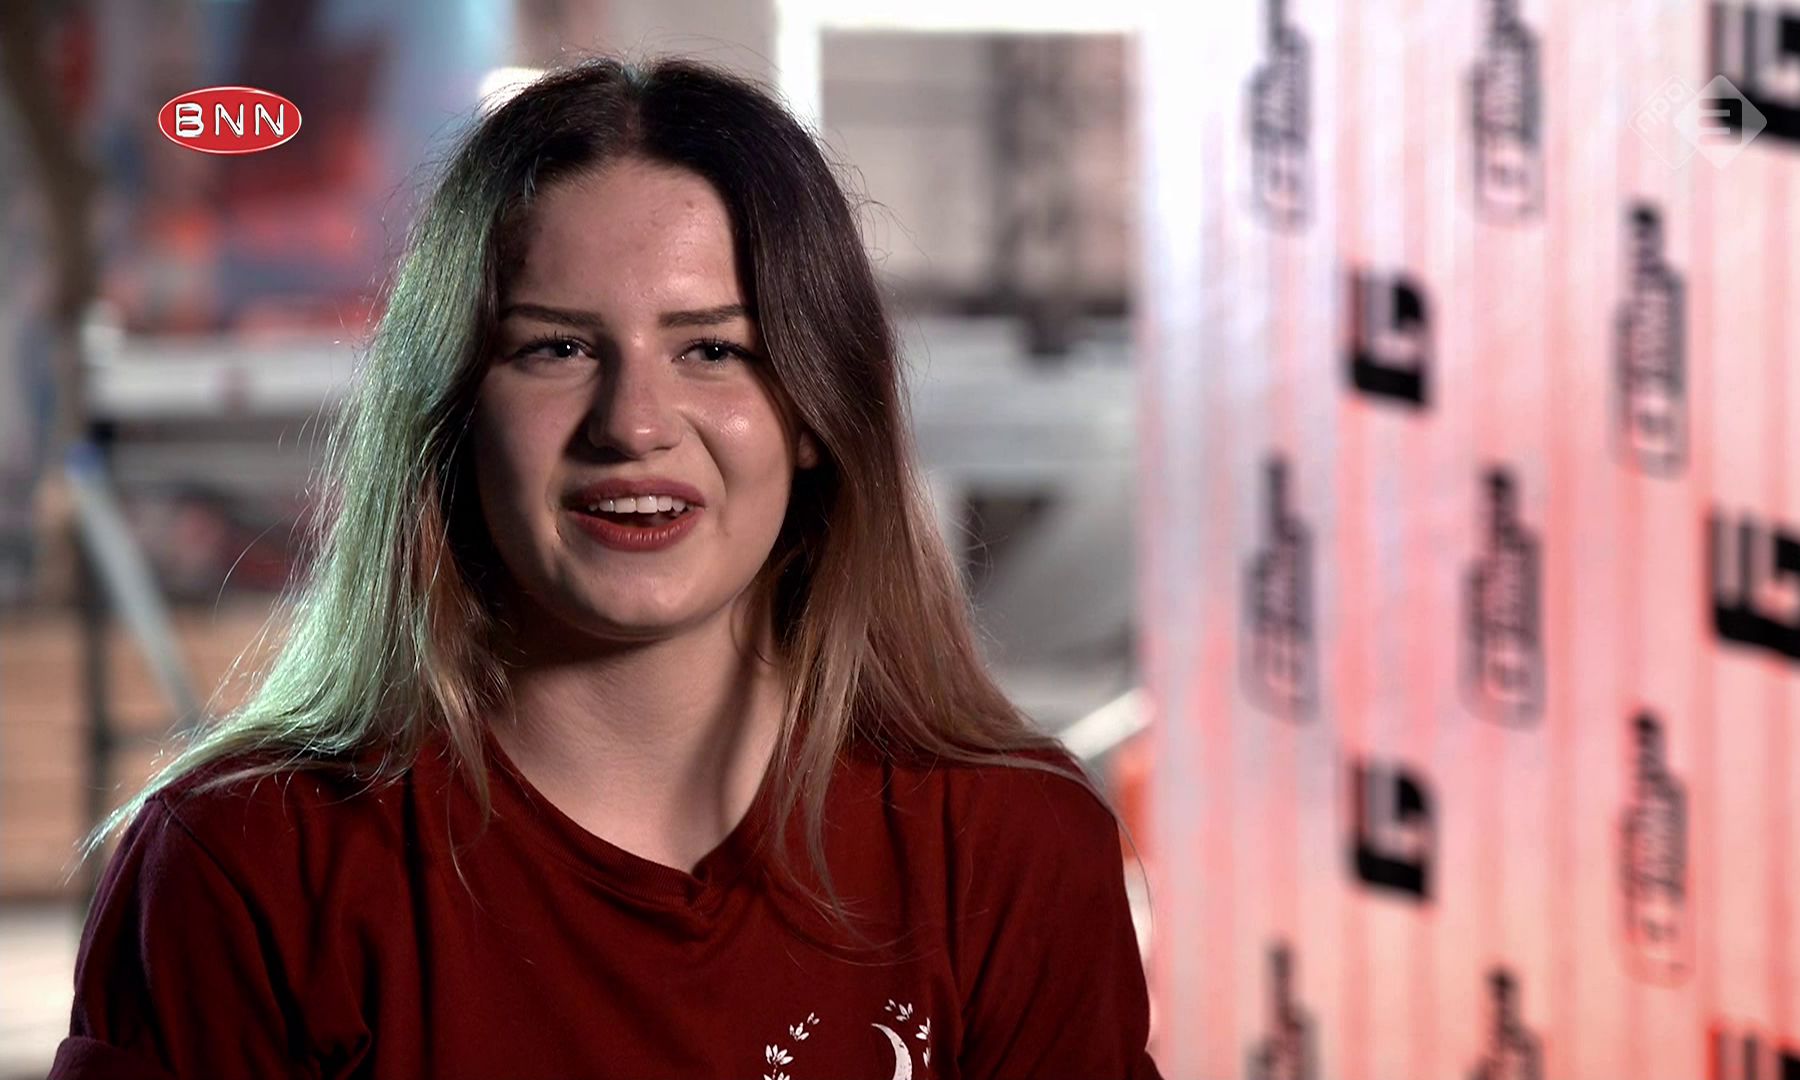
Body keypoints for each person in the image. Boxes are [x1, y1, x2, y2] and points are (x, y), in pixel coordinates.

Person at [50, 55, 1161, 1080]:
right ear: (454, 413)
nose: (633, 423)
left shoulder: (1007, 848)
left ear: (817, 413)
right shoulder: (251, 864)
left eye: (713, 349)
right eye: (558, 347)